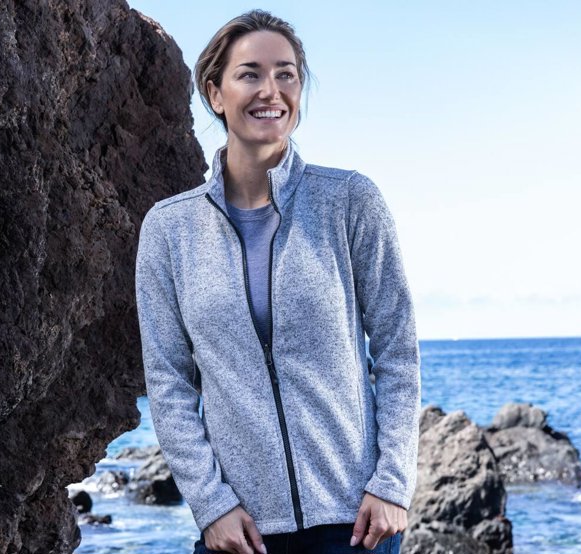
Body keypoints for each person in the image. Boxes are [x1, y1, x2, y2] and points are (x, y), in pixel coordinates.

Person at [135, 9, 421, 554]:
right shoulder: (170, 229)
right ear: (215, 93)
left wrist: (392, 483)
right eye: (250, 74)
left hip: (355, 523)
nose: (271, 90)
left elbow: (397, 348)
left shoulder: (349, 201)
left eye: (286, 74)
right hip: (241, 532)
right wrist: (211, 505)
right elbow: (169, 383)